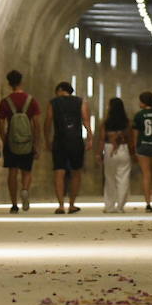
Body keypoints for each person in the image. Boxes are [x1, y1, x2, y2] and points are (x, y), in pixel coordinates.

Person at [0, 70, 41, 213]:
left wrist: (4, 140)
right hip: (27, 142)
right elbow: (36, 123)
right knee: (26, 171)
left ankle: (14, 204)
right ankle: (25, 189)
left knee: (12, 172)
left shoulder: (5, 102)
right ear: (21, 82)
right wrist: (36, 142)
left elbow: (1, 124)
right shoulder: (31, 101)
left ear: (9, 84)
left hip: (12, 141)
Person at [45, 81, 91, 214]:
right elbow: (86, 120)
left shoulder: (53, 102)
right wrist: (90, 137)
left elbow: (48, 121)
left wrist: (47, 139)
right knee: (76, 172)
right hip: (75, 141)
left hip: (59, 140)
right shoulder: (80, 102)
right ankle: (72, 204)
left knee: (59, 172)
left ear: (60, 90)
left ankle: (60, 205)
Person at [99, 97, 136, 213]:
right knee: (123, 178)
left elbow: (101, 139)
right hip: (124, 149)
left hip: (109, 149)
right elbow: (131, 139)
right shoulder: (127, 122)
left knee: (109, 179)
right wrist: (132, 153)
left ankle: (109, 206)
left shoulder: (106, 122)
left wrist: (99, 153)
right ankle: (120, 206)